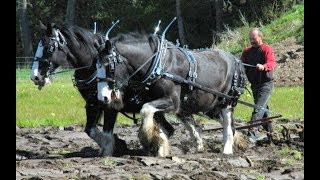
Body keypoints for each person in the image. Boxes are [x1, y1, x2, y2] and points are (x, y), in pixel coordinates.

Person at [240, 28, 276, 142]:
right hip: (254, 85)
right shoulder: (247, 51)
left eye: (254, 38)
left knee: (258, 108)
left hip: (266, 84)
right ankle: (271, 134)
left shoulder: (267, 49)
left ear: (261, 37)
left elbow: (271, 62)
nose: (252, 41)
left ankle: (252, 133)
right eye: (250, 39)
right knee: (263, 110)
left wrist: (264, 66)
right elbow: (241, 64)